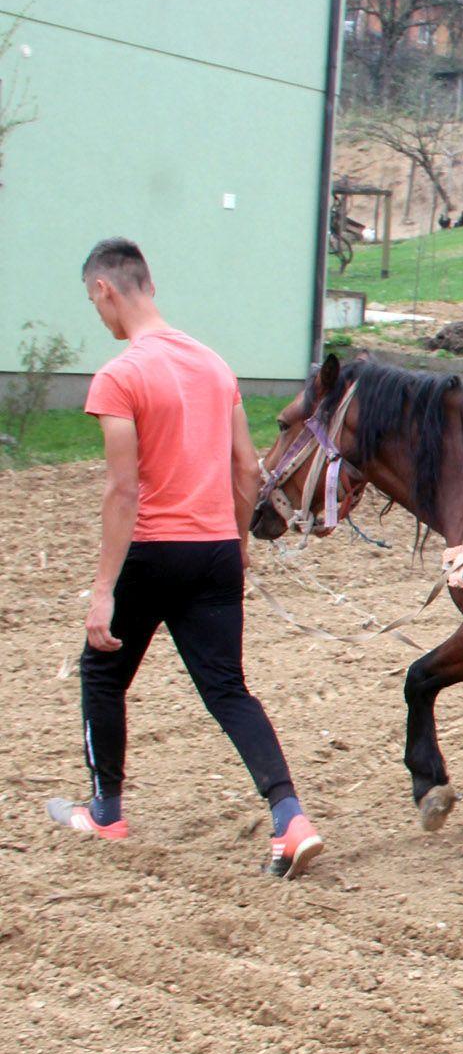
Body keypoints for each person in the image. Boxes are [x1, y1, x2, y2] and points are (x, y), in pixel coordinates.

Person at [48, 238, 323, 879]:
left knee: (102, 672)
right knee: (228, 689)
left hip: (152, 553)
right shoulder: (214, 365)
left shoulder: (120, 376)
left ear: (104, 291)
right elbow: (247, 468)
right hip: (215, 555)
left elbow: (123, 488)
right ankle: (290, 819)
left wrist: (102, 589)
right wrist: (239, 544)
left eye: (96, 304)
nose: (100, 315)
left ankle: (105, 810)